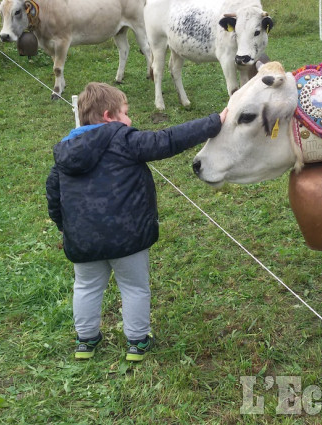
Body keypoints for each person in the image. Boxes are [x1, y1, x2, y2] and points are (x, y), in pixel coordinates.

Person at [46, 82, 227, 361]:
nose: (130, 120)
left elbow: (53, 197)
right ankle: (137, 341)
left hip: (82, 241)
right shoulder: (124, 139)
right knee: (134, 287)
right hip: (127, 239)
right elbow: (166, 140)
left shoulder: (64, 153)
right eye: (126, 113)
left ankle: (85, 341)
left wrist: (66, 228)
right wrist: (215, 121)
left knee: (86, 286)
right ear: (109, 116)